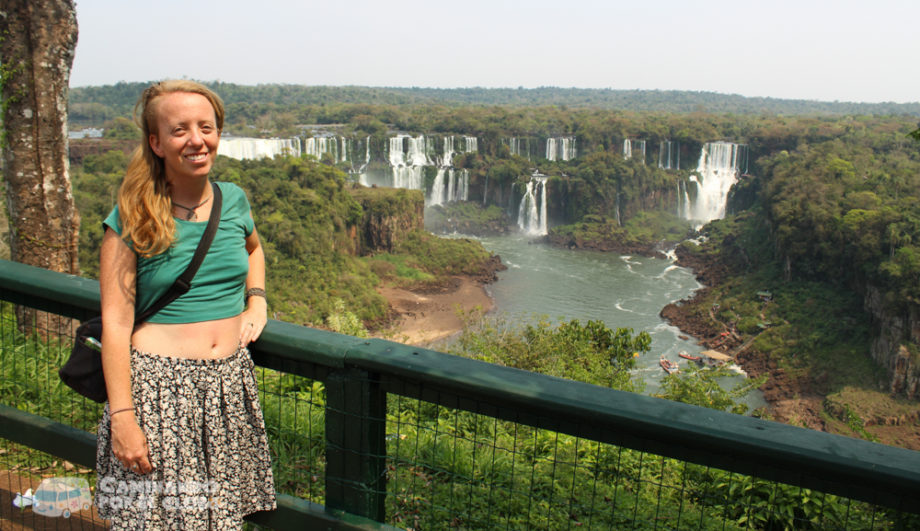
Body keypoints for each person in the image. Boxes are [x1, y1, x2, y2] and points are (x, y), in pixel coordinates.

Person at [94, 80, 276, 529]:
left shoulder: (233, 200)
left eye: (206, 127)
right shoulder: (133, 217)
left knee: (219, 520)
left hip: (227, 388)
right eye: (180, 130)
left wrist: (257, 301)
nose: (196, 139)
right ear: (156, 142)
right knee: (156, 520)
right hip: (160, 392)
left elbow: (254, 250)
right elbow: (115, 323)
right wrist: (123, 418)